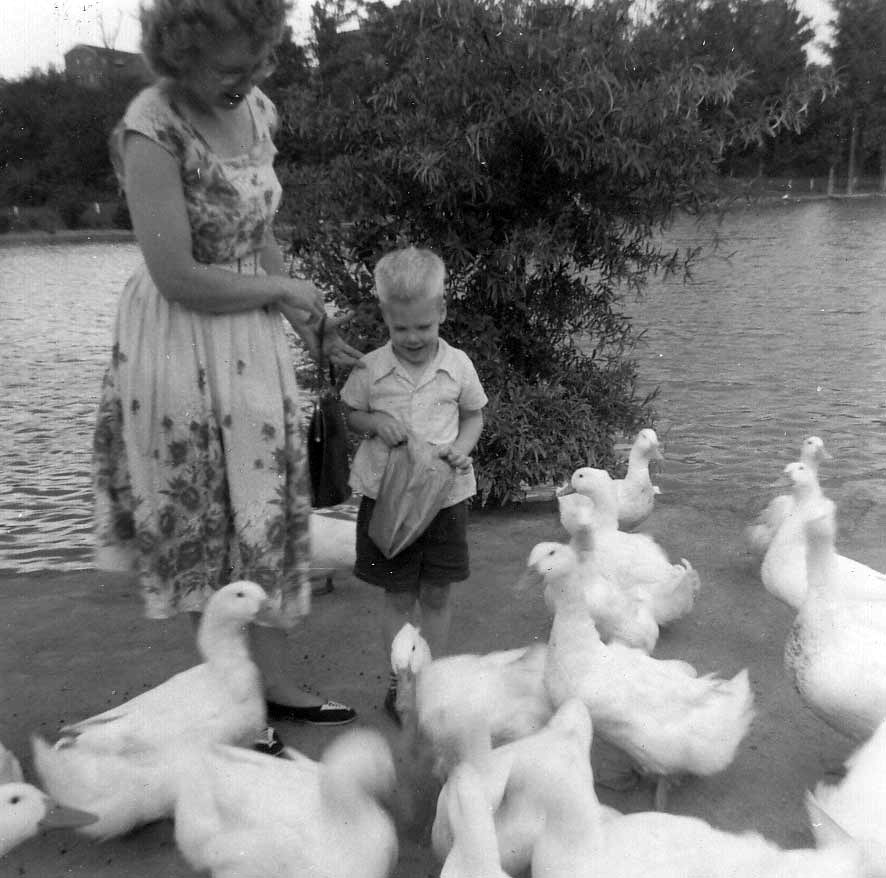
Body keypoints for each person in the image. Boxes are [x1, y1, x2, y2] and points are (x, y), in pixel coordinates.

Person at [92, 0, 363, 750]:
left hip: (249, 338)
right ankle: (232, 699)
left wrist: (311, 325)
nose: (247, 78)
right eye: (229, 67)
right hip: (177, 340)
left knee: (261, 511)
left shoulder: (257, 109)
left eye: (259, 59)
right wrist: (279, 290)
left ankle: (269, 686)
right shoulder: (151, 127)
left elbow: (259, 232)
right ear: (179, 54)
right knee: (201, 516)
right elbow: (175, 273)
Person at [340, 246, 488, 724]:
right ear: (385, 315)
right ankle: (401, 680)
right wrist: (374, 421)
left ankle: (434, 678)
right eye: (401, 328)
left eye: (423, 326)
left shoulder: (458, 365)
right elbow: (351, 413)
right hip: (389, 504)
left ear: (441, 310)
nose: (413, 338)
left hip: (445, 499)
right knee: (399, 595)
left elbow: (473, 415)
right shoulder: (370, 368)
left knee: (438, 593)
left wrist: (462, 448)